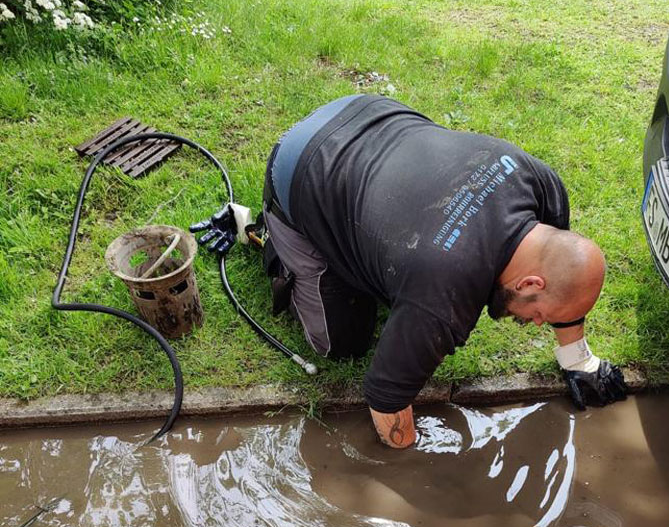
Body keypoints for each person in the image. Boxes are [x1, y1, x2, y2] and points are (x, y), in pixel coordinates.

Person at [198, 95, 627, 447]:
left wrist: (578, 360)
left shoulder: (542, 186)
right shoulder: (442, 296)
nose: (534, 324)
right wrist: (413, 473)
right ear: (530, 282)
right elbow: (385, 397)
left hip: (370, 113)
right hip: (304, 162)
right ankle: (265, 232)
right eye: (539, 316)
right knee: (341, 342)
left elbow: (566, 280)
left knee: (388, 282)